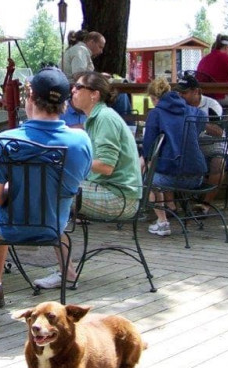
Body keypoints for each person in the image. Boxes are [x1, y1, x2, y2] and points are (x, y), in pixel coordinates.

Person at [0, 67, 92, 307]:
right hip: (53, 227)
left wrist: (10, 193)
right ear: (65, 105)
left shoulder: (7, 140)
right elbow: (73, 184)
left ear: (30, 97)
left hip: (10, 228)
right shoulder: (81, 141)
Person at [70, 71, 142, 219]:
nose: (72, 90)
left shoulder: (105, 118)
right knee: (49, 184)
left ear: (94, 95)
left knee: (50, 190)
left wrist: (69, 161)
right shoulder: (97, 117)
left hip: (119, 198)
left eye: (78, 87)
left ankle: (52, 240)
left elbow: (106, 166)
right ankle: (56, 239)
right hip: (109, 190)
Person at [142, 80, 208, 236]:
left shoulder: (156, 113)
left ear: (154, 97)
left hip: (171, 177)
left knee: (149, 177)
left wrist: (146, 159)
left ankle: (162, 222)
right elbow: (203, 118)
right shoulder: (191, 110)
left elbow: (149, 148)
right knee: (157, 170)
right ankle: (169, 210)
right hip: (197, 176)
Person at [174, 75, 228, 206]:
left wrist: (196, 119)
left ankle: (205, 204)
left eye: (184, 92)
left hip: (211, 142)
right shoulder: (176, 104)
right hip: (185, 143)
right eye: (179, 92)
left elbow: (219, 132)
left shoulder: (211, 105)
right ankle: (174, 204)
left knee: (218, 163)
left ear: (197, 91)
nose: (181, 96)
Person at [61, 31, 105, 128]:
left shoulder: (79, 50)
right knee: (119, 97)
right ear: (91, 42)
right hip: (72, 88)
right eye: (100, 47)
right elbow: (78, 75)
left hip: (73, 87)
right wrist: (99, 76)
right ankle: (126, 127)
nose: (101, 51)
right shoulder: (80, 50)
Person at [195, 34, 228, 110]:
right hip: (218, 97)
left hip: (203, 97)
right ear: (227, 47)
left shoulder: (204, 59)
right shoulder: (224, 57)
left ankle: (225, 117)